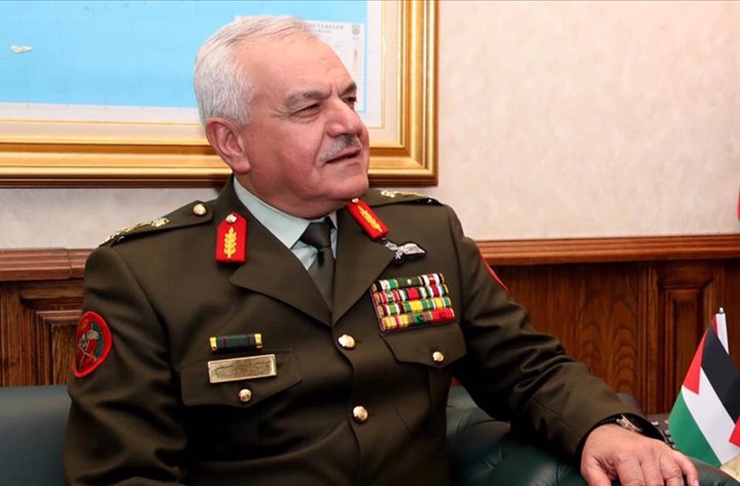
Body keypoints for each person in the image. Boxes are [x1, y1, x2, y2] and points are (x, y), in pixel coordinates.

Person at [64, 15, 699, 486]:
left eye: (348, 98)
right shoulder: (146, 274)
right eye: (309, 108)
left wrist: (603, 428)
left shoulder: (426, 234)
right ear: (232, 143)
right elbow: (122, 474)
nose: (349, 124)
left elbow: (527, 369)